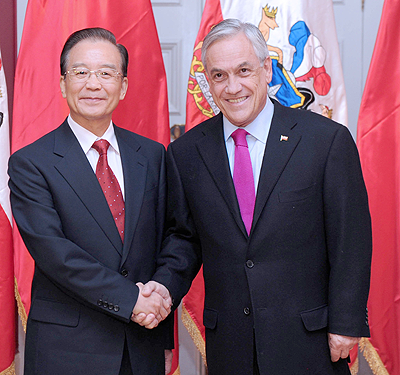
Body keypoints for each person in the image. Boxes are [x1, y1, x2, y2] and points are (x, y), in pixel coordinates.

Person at [139, 19, 372, 374]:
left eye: (243, 70)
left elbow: (350, 239)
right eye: (219, 76)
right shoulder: (186, 153)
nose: (233, 87)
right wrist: (163, 291)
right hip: (231, 345)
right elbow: (185, 240)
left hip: (310, 340)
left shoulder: (326, 142)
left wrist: (347, 321)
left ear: (266, 69)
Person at [8, 28, 173, 375]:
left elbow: (172, 238)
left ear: (123, 86)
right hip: (66, 352)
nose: (93, 84)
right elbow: (57, 255)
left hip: (142, 345)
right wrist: (133, 301)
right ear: (63, 84)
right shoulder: (31, 162)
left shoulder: (153, 155)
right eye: (80, 73)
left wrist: (161, 306)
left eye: (106, 73)